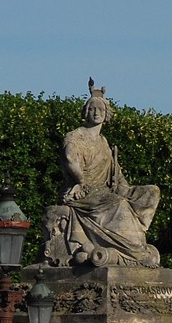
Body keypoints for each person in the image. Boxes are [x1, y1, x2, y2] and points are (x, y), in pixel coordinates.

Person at [43, 78, 161, 268]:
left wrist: (126, 189)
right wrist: (81, 181)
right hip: (81, 192)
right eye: (92, 108)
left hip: (104, 191)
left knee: (151, 193)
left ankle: (134, 242)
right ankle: (134, 251)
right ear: (85, 112)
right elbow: (70, 159)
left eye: (100, 109)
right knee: (120, 203)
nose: (96, 112)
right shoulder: (75, 136)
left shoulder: (103, 142)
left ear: (106, 114)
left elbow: (116, 173)